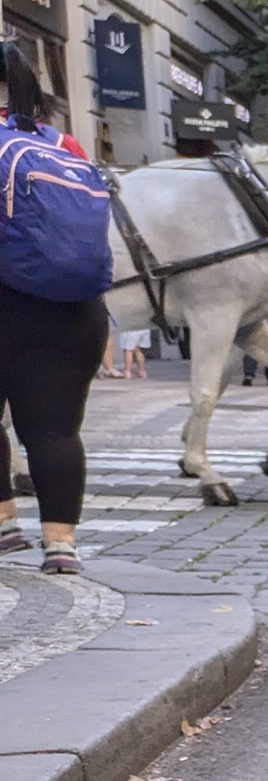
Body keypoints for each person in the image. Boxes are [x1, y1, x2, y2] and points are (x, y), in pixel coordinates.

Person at [0, 40, 105, 574]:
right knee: (55, 430)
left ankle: (3, 527)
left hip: (6, 302)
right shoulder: (61, 141)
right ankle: (61, 546)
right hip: (76, 306)